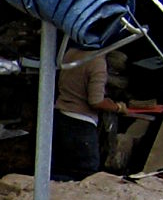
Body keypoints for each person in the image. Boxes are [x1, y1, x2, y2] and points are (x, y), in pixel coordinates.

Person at [52, 47, 132, 181]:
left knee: (62, 170)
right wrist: (117, 107)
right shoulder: (97, 62)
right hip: (81, 125)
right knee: (86, 174)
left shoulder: (71, 52)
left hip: (61, 116)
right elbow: (95, 101)